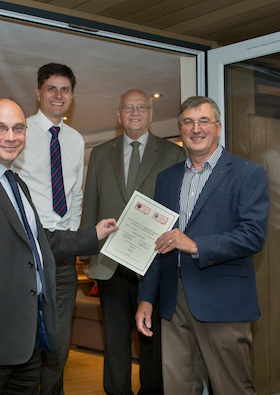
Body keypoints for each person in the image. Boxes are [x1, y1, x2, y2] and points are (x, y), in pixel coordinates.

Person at [0, 98, 118, 395]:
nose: (11, 136)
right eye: (0, 128)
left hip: (27, 345)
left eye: (18, 128)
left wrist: (92, 234)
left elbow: (42, 240)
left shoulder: (17, 183)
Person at [136, 96, 270, 395]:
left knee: (232, 388)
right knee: (178, 388)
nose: (196, 129)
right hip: (173, 301)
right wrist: (146, 298)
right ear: (180, 129)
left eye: (204, 121)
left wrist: (195, 245)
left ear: (218, 127)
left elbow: (252, 235)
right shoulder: (166, 179)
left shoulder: (249, 173)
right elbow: (158, 243)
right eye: (188, 122)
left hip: (222, 300)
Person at [82, 89, 185, 395]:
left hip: (154, 265)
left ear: (151, 114)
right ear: (119, 114)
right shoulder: (100, 154)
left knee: (152, 341)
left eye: (142, 107)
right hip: (110, 265)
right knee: (114, 341)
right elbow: (91, 207)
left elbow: (178, 213)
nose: (135, 112)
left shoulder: (172, 154)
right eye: (129, 107)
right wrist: (89, 258)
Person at [13, 63, 84, 395]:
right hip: (28, 249)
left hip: (64, 253)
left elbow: (75, 192)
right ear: (38, 93)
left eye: (65, 89)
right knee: (25, 338)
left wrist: (71, 233)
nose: (58, 95)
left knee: (58, 343)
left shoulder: (75, 139)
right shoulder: (19, 132)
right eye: (51, 89)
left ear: (71, 96)